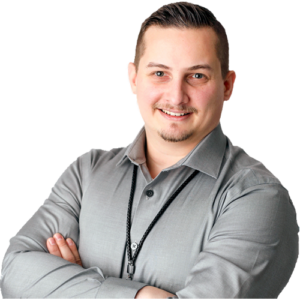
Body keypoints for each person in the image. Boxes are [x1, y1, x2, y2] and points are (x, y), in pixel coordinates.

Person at [1, 2, 299, 299]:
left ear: (227, 85)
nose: (176, 96)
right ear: (133, 77)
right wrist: (142, 296)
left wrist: (70, 287)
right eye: (160, 73)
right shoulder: (86, 172)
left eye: (197, 76)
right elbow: (14, 272)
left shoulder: (258, 198)